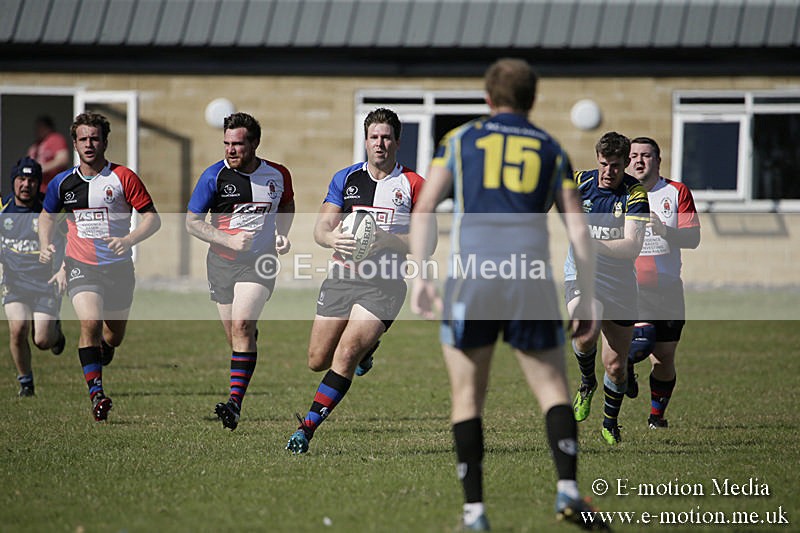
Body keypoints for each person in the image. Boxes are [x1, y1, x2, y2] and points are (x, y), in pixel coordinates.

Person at [410, 58, 608, 531]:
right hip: (530, 278)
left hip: (473, 277)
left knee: (467, 396)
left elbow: (425, 207)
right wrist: (588, 294)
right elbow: (579, 232)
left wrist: (420, 275)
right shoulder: (551, 148)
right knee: (553, 390)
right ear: (532, 99)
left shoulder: (458, 141)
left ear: (487, 98)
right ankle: (567, 490)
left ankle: (475, 514)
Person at [286, 108, 424, 454]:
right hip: (342, 279)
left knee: (345, 353)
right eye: (374, 137)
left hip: (384, 285)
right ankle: (369, 352)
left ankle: (306, 429)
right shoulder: (345, 179)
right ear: (365, 141)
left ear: (397, 142)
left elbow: (428, 242)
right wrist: (332, 240)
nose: (380, 143)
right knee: (317, 359)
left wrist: (388, 239)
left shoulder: (413, 184)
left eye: (387, 137)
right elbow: (320, 229)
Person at [38, 112, 161, 421]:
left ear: (105, 141)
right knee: (89, 323)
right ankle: (97, 396)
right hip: (81, 264)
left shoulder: (123, 177)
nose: (89, 144)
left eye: (95, 138)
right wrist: (45, 243)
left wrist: (129, 239)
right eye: (83, 139)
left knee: (112, 336)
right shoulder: (62, 182)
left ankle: (105, 349)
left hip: (118, 268)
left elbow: (152, 218)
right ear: (75, 143)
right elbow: (46, 216)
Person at [187, 112, 294, 431]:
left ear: (255, 144)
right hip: (221, 264)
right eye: (226, 144)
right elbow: (192, 223)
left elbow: (287, 205)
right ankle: (248, 341)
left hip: (259, 262)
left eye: (238, 144)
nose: (230, 150)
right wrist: (227, 239)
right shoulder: (213, 177)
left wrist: (281, 234)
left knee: (242, 325)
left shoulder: (277, 175)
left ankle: (234, 404)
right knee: (236, 336)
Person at [566, 132, 649, 446]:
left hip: (619, 283)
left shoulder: (635, 193)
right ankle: (587, 383)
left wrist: (594, 243)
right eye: (603, 164)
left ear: (626, 163)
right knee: (585, 330)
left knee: (615, 366)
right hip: (581, 273)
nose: (608, 171)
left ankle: (610, 423)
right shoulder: (580, 182)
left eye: (615, 165)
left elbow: (632, 246)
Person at [625, 136, 700, 428]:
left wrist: (665, 230)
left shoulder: (676, 191)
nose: (639, 161)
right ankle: (626, 365)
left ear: (658, 160)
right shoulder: (620, 193)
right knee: (641, 342)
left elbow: (693, 238)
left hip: (667, 288)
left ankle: (657, 417)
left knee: (664, 359)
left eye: (646, 155)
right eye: (633, 156)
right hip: (630, 285)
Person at [1, 157, 66, 396]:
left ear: (38, 183)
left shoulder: (48, 213)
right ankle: (26, 383)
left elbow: (71, 240)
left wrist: (62, 269)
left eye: (31, 180)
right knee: (18, 329)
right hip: (14, 283)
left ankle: (56, 335)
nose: (26, 184)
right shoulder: (3, 208)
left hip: (44, 284)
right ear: (14, 182)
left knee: (42, 341)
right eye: (21, 179)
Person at [28, 115, 71, 194]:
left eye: (41, 127)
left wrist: (41, 169)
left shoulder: (55, 139)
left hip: (53, 188)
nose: (38, 130)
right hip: (38, 189)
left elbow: (62, 160)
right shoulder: (36, 145)